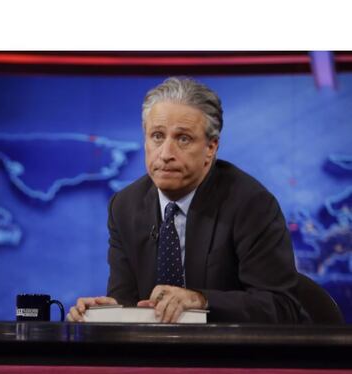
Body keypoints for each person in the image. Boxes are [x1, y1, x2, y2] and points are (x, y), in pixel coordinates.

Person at [67, 77, 309, 324]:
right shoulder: (124, 207)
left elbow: (280, 307)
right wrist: (106, 312)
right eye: (157, 136)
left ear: (211, 148)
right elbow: (128, 301)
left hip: (231, 356)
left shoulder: (252, 204)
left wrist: (200, 300)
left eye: (183, 139)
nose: (166, 154)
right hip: (154, 358)